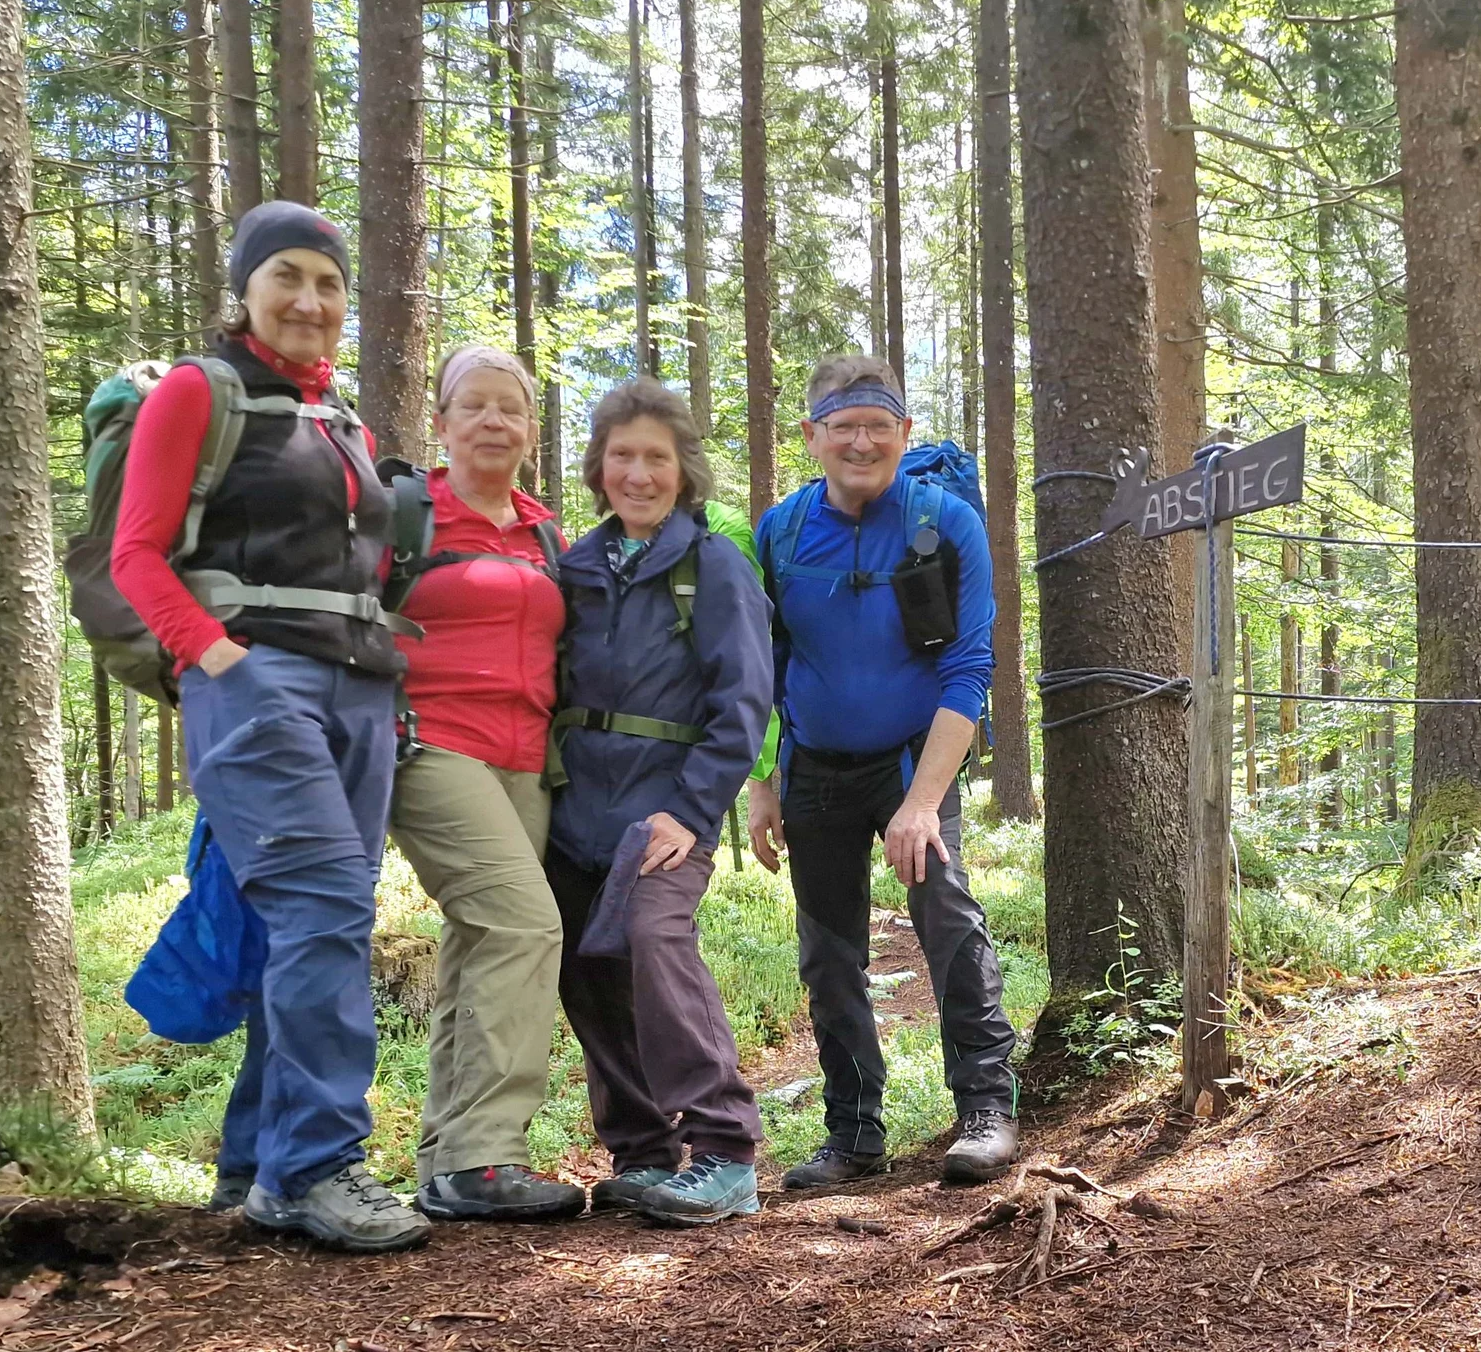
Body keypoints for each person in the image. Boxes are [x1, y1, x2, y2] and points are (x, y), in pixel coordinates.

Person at [111, 201, 430, 1253]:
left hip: (358, 689)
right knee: (327, 906)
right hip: (258, 685)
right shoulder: (201, 395)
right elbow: (138, 555)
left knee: (299, 921)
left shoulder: (342, 421)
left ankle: (258, 1159)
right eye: (287, 276)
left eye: (329, 283)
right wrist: (221, 662)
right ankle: (317, 1168)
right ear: (245, 289)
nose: (309, 300)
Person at [749, 354, 1022, 1188]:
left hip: (915, 762)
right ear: (812, 436)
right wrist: (762, 781)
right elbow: (762, 662)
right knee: (828, 953)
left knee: (947, 917)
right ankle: (853, 1133)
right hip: (814, 771)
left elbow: (971, 668)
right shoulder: (782, 531)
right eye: (843, 426)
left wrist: (922, 803)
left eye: (878, 425)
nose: (860, 441)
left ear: (904, 433)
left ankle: (985, 1107)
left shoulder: (945, 524)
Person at [545, 379, 774, 1227]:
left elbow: (745, 699)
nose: (638, 474)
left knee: (652, 936)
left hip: (667, 810)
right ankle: (643, 1152)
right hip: (573, 812)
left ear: (684, 473)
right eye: (622, 456)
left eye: (657, 458)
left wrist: (692, 809)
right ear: (599, 468)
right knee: (581, 964)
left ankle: (724, 1150)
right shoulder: (572, 566)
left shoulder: (711, 564)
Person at [382, 346, 584, 1222]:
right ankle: (488, 1155)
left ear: (531, 431)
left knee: (479, 941)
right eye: (476, 406)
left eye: (511, 408)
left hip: (527, 757)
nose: (495, 421)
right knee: (525, 923)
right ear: (443, 421)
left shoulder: (546, 533)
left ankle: (447, 1158)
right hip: (429, 746)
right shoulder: (403, 515)